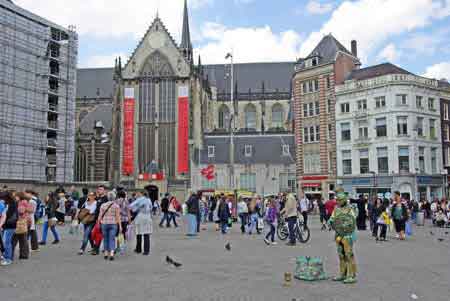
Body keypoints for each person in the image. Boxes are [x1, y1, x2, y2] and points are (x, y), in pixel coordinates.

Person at [329, 190, 357, 284]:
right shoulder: (336, 209)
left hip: (348, 235)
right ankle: (342, 273)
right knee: (341, 255)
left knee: (348, 255)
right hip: (338, 234)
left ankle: (351, 275)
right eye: (337, 200)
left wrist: (345, 224)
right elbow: (332, 218)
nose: (338, 202)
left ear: (344, 200)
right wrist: (330, 222)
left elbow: (352, 220)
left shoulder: (350, 209)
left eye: (340, 200)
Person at [98, 195, 121, 261]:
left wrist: (98, 223)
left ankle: (105, 253)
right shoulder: (116, 206)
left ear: (108, 198)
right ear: (114, 198)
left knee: (105, 239)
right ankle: (111, 254)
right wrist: (120, 226)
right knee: (112, 239)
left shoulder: (103, 205)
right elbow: (118, 216)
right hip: (113, 224)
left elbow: (100, 215)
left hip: (104, 223)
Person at [129, 191, 153, 255]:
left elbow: (131, 206)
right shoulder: (149, 200)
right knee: (146, 234)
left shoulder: (140, 199)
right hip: (148, 217)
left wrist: (136, 208)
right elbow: (151, 208)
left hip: (140, 217)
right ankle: (146, 251)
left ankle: (138, 249)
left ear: (141, 194)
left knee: (139, 233)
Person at [13, 192, 32, 260]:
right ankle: (24, 254)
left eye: (16, 196)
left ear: (19, 196)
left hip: (21, 222)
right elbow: (30, 210)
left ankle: (11, 254)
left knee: (16, 238)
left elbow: (21, 211)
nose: (15, 197)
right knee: (23, 239)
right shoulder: (26, 202)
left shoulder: (21, 202)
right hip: (26, 221)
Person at [1, 192, 17, 265]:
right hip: (7, 225)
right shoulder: (9, 204)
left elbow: (7, 215)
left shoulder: (12, 205)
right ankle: (5, 256)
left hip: (10, 226)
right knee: (5, 242)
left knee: (6, 242)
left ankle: (8, 258)